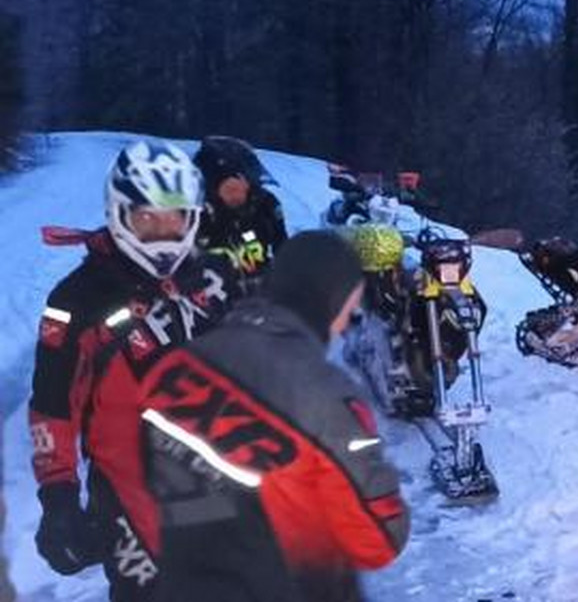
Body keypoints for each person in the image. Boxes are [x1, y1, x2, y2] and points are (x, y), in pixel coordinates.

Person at [141, 230, 410, 602]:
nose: (349, 320)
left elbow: (142, 488)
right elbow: (379, 538)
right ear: (333, 301)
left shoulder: (175, 367)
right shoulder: (325, 394)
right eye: (351, 305)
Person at [29, 138, 235, 600]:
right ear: (119, 214)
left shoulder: (216, 279)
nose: (164, 232)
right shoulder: (75, 299)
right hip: (129, 499)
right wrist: (58, 497)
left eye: (175, 218)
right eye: (147, 219)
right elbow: (51, 406)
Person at [192, 135, 287, 291]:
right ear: (210, 189)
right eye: (232, 189)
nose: (241, 195)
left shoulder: (264, 205)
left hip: (259, 297)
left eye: (247, 186)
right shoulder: (194, 217)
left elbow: (284, 252)